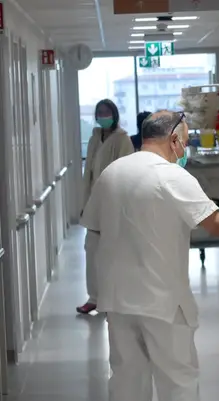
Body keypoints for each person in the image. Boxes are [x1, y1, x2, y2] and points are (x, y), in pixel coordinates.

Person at [81, 110, 219, 401]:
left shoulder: (111, 174)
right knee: (178, 381)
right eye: (187, 138)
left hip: (118, 300)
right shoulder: (172, 176)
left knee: (126, 385)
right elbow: (217, 224)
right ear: (174, 139)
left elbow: (95, 229)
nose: (187, 146)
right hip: (162, 300)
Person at [77, 99, 134, 315]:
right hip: (94, 203)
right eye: (99, 112)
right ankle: (94, 298)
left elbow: (127, 173)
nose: (103, 116)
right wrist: (84, 204)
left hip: (114, 204)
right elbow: (88, 174)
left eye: (106, 112)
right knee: (91, 250)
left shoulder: (122, 139)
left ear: (114, 114)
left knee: (113, 252)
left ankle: (114, 299)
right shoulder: (94, 138)